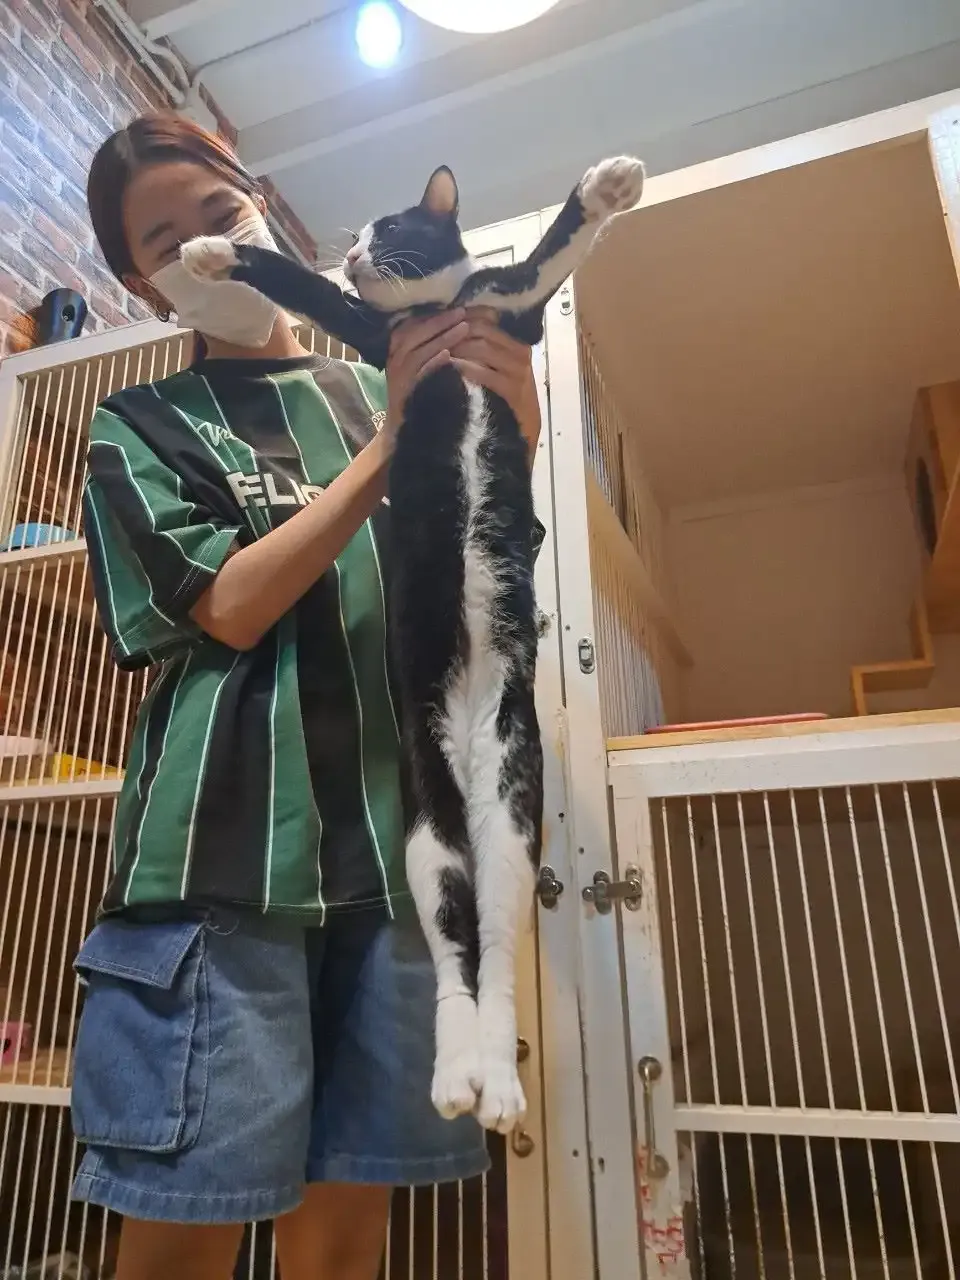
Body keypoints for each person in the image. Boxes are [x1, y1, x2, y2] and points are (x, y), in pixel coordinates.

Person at [72, 112, 541, 1280]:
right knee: (185, 1221)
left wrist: (512, 439)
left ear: (264, 211)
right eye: (163, 242)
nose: (202, 245)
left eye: (219, 213)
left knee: (344, 1232)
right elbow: (226, 602)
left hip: (396, 862)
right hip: (223, 867)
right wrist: (391, 447)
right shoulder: (139, 423)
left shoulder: (373, 382)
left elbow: (479, 584)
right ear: (140, 285)